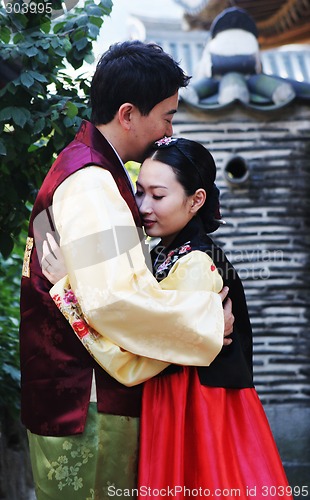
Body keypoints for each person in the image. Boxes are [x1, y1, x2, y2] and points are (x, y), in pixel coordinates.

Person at [19, 41, 233, 500]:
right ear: (129, 113)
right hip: (89, 401)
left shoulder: (86, 169)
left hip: (72, 393)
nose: (169, 130)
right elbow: (114, 299)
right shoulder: (93, 183)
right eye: (168, 116)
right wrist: (206, 320)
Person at [45, 137, 292, 499]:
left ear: (196, 200)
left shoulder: (196, 263)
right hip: (182, 397)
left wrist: (69, 288)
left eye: (158, 196)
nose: (143, 206)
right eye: (139, 192)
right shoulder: (167, 252)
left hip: (197, 407)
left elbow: (133, 358)